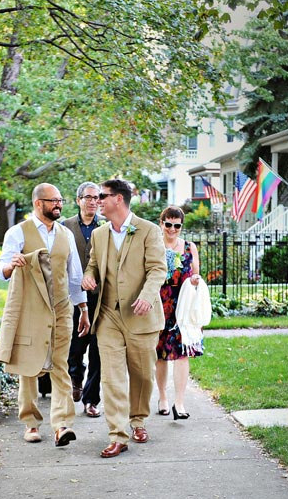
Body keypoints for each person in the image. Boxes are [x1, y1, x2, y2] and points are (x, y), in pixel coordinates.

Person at [0, 183, 89, 447]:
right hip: (31, 310)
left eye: (60, 200)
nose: (59, 204)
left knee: (61, 365)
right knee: (30, 365)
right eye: (54, 200)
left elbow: (75, 278)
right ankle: (31, 423)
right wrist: (10, 266)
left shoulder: (65, 235)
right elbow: (1, 268)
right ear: (39, 203)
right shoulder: (18, 233)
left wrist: (83, 309)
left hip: (61, 309)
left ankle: (62, 425)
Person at [81, 179, 167, 458]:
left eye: (102, 197)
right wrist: (88, 275)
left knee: (142, 375)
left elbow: (157, 269)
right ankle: (118, 434)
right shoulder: (99, 234)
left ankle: (138, 419)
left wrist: (147, 295)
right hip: (107, 315)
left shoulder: (149, 231)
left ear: (118, 199)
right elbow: (93, 264)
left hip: (140, 315)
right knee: (112, 377)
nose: (97, 202)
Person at [155, 206, 201, 420]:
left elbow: (196, 276)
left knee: (182, 354)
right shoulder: (154, 244)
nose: (172, 229)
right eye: (168, 224)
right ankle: (163, 396)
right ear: (161, 223)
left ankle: (179, 402)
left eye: (177, 225)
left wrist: (194, 280)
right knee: (161, 355)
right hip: (159, 304)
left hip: (182, 308)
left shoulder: (190, 248)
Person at [62, 181, 103, 417]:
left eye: (96, 198)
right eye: (87, 197)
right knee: (75, 346)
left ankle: (91, 399)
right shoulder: (65, 228)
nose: (92, 202)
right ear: (78, 200)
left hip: (99, 298)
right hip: (72, 297)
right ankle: (75, 376)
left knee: (98, 348)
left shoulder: (106, 228)